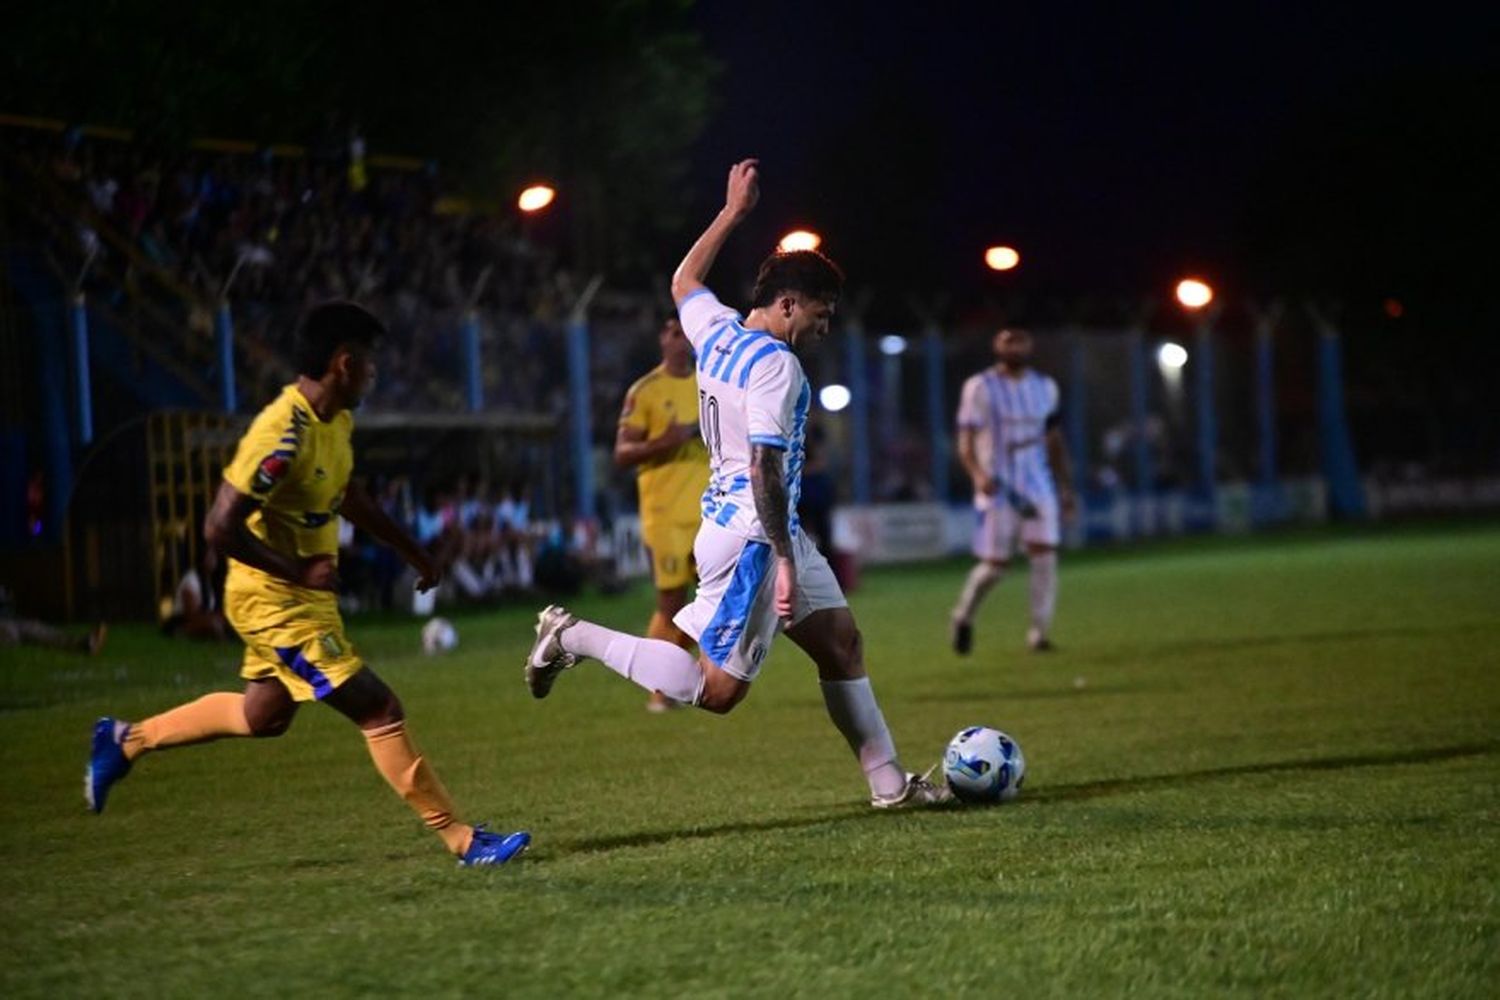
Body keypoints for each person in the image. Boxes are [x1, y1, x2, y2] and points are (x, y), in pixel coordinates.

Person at [526, 160, 947, 808]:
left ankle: (889, 785)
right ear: (786, 305)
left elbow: (684, 279)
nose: (824, 327)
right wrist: (782, 558)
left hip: (752, 525)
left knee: (841, 643)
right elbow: (764, 467)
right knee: (717, 692)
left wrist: (731, 213)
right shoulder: (779, 367)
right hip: (756, 535)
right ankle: (573, 637)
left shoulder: (718, 332)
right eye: (820, 313)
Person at [85, 301, 529, 866]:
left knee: (261, 717)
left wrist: (416, 552)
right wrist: (297, 570)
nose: (375, 373)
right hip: (274, 603)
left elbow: (348, 495)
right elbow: (218, 528)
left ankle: (125, 740)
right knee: (378, 706)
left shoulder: (335, 421)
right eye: (369, 362)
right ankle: (464, 841)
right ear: (343, 363)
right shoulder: (280, 434)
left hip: (305, 603)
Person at [949, 328, 1077, 655]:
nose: (1015, 346)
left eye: (1021, 340)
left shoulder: (1045, 387)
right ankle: (963, 616)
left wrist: (1065, 486)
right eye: (1008, 340)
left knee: (1045, 557)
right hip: (998, 485)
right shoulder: (980, 387)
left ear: (1030, 345)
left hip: (1038, 483)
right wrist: (977, 475)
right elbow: (965, 441)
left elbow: (1054, 438)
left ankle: (1039, 633)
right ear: (997, 345)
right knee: (995, 566)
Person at [613, 316, 711, 712]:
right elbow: (621, 453)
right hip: (665, 514)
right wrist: (665, 441)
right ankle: (660, 687)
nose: (680, 339)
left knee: (713, 599)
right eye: (672, 332)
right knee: (671, 602)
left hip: (708, 510)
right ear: (661, 339)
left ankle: (676, 679)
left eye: (685, 331)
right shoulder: (646, 391)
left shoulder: (709, 382)